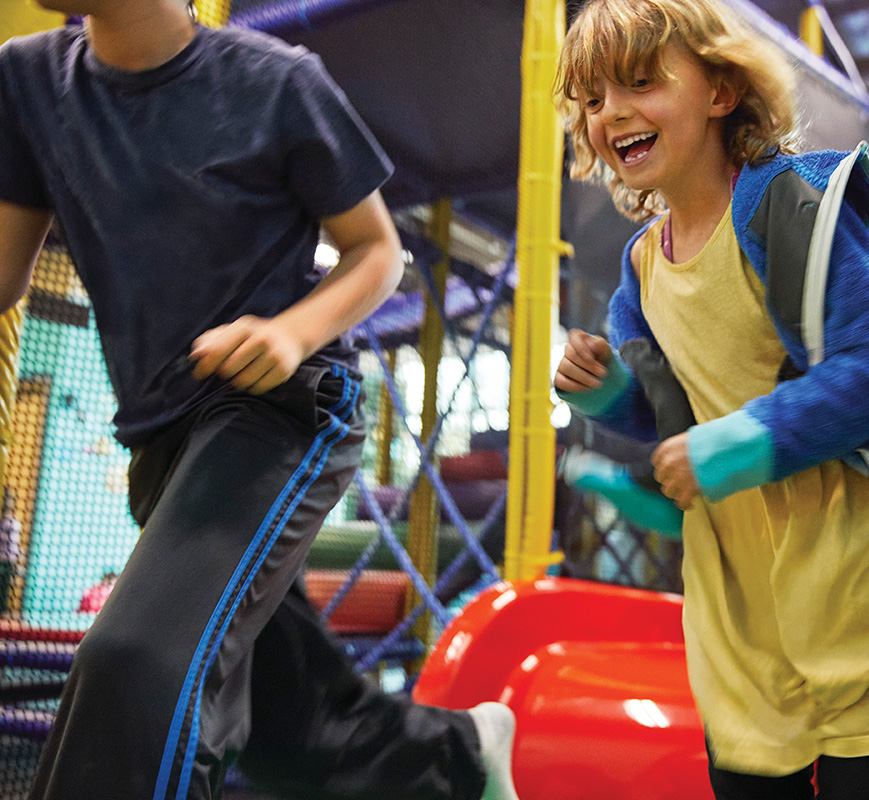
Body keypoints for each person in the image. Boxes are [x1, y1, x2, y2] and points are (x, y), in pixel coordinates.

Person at [0, 1, 517, 798]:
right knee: (289, 727)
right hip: (163, 439)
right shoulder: (29, 80)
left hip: (282, 412)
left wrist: (290, 333)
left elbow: (377, 253)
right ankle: (459, 755)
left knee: (139, 665)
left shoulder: (271, 82)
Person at [552, 1, 869, 798]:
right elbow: (670, 419)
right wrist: (609, 394)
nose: (613, 114)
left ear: (718, 92)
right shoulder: (641, 273)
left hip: (852, 559)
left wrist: (743, 442)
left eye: (640, 82)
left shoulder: (790, 210)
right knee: (750, 781)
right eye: (595, 99)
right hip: (738, 587)